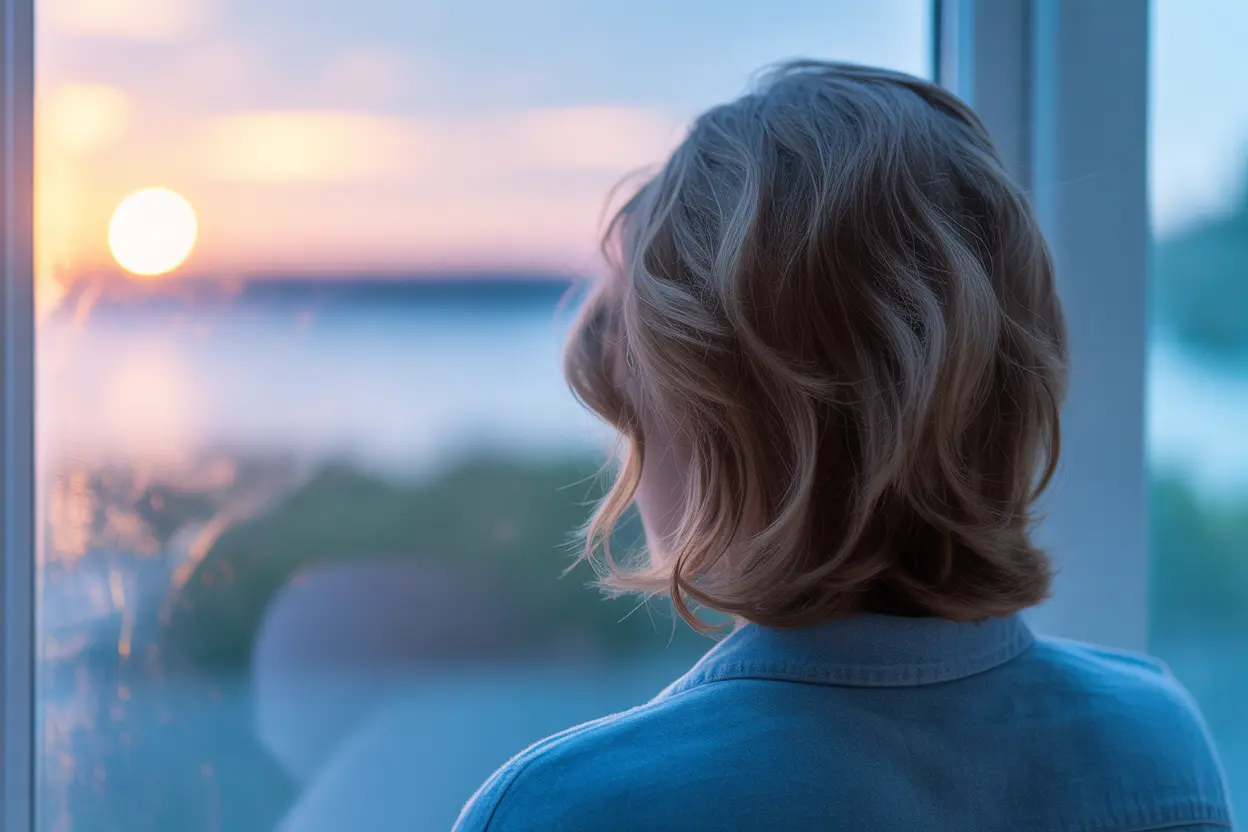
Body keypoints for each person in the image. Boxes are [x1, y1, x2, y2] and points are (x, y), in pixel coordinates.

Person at [454, 61, 1233, 832]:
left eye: (633, 399)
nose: (625, 443)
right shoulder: (1155, 747)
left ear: (720, 416)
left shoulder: (568, 807)